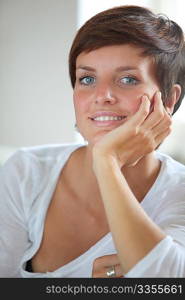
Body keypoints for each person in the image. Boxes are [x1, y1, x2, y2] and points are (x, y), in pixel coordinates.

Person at [0, 5, 185, 278]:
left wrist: (106, 163)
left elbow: (166, 283)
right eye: (87, 78)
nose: (103, 96)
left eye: (127, 79)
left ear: (168, 100)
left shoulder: (179, 192)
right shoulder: (26, 171)